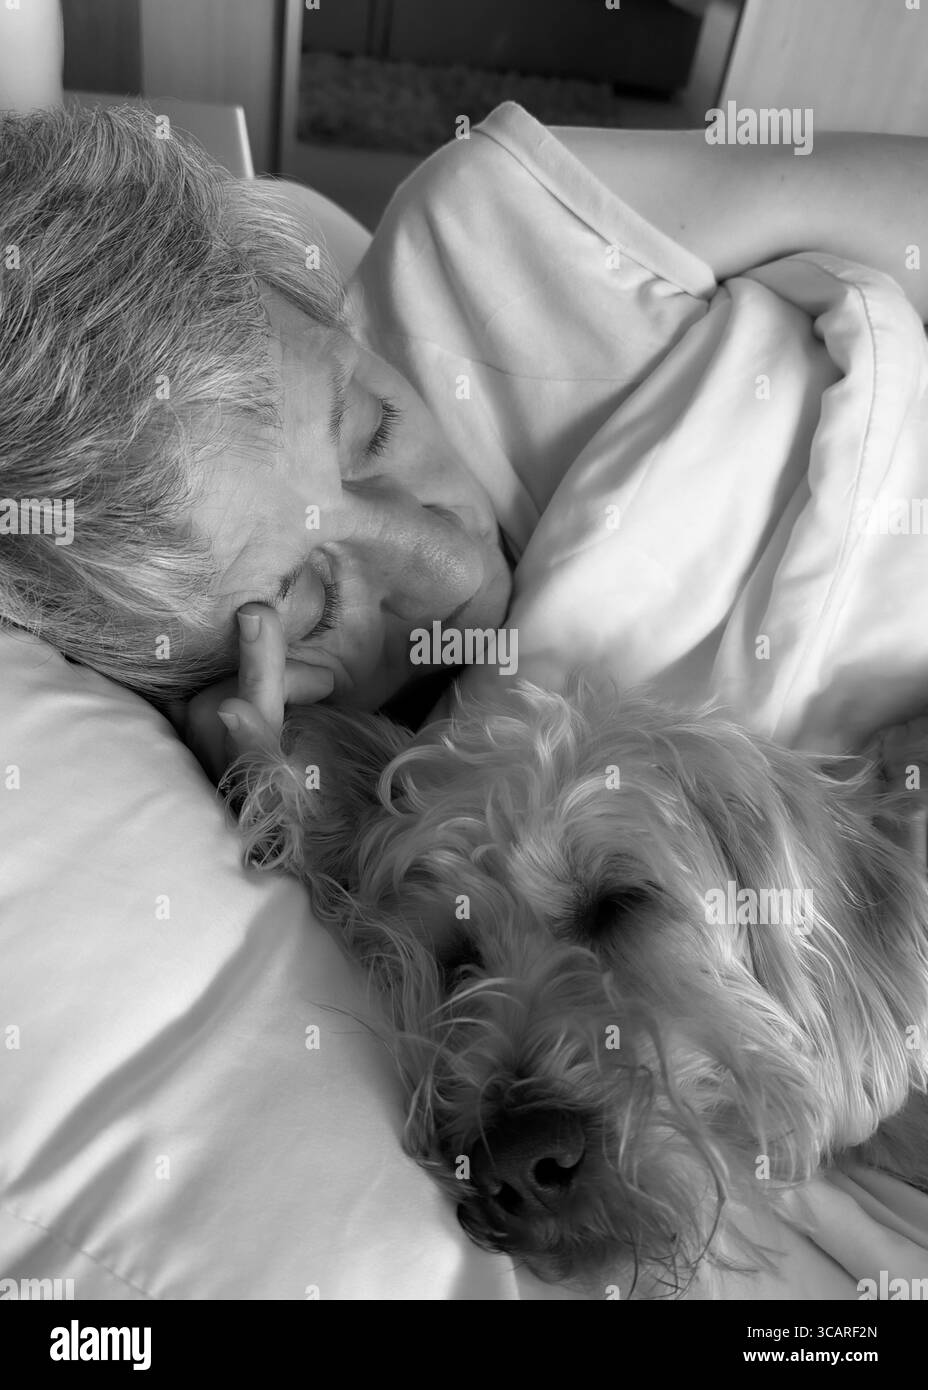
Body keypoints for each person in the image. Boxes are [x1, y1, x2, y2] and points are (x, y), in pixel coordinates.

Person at [3, 96, 928, 780]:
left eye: (373, 428)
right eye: (310, 610)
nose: (443, 564)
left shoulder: (494, 226)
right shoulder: (422, 805)